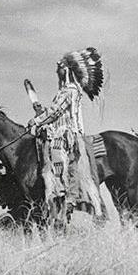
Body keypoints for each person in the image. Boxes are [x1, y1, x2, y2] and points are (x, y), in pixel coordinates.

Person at [27, 48, 105, 222]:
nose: (58, 74)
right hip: (62, 132)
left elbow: (55, 112)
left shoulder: (70, 90)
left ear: (67, 71)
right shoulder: (66, 91)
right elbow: (54, 112)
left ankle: (62, 193)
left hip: (66, 135)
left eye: (60, 70)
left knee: (54, 156)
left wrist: (38, 121)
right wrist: (41, 113)